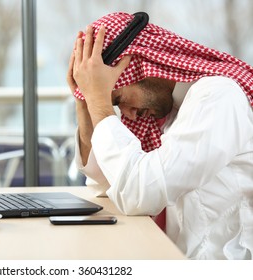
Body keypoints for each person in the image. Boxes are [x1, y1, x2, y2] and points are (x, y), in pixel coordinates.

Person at [66, 11, 253, 260]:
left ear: (138, 64)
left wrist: (100, 102)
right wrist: (86, 101)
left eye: (118, 99)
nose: (128, 116)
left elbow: (139, 193)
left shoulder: (218, 98)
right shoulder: (168, 110)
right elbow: (108, 184)